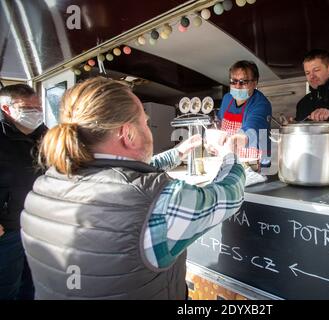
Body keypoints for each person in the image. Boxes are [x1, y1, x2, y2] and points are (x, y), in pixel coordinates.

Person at [20, 77, 245, 300]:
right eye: (145, 123)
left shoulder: (41, 188)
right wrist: (230, 156)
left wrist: (177, 152)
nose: (148, 128)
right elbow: (228, 195)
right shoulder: (160, 201)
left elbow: (123, 176)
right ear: (128, 134)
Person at [0, 84, 46, 300]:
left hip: (37, 224)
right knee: (7, 285)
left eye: (38, 107)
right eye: (28, 108)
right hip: (7, 229)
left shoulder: (44, 135)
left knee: (34, 282)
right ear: (6, 109)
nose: (35, 113)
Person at [217, 60, 272, 167]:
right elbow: (219, 124)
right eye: (233, 81)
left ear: (255, 83)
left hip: (256, 166)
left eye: (243, 82)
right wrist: (213, 140)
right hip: (230, 163)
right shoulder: (227, 99)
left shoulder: (261, 103)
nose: (237, 86)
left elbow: (252, 129)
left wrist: (238, 139)